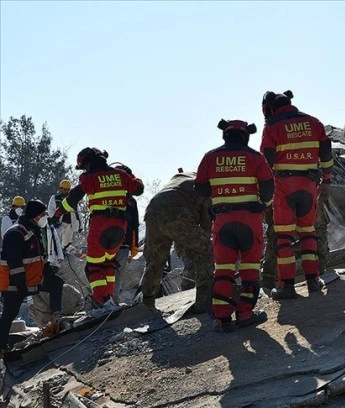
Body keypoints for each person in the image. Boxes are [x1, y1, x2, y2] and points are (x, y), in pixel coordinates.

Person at [195, 119, 273, 331]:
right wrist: (263, 205)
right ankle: (245, 314)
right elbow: (268, 187)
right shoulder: (255, 157)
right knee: (250, 270)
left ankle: (222, 320)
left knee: (223, 271)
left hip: (223, 221)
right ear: (245, 135)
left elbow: (200, 189)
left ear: (225, 135)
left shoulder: (210, 157)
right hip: (250, 220)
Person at [260, 90, 333, 299]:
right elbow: (326, 153)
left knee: (284, 237)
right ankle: (313, 281)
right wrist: (326, 180)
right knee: (308, 233)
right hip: (309, 185)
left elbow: (266, 163)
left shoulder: (272, 127)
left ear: (271, 108)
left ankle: (288, 286)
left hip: (283, 186)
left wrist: (263, 196)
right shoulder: (314, 122)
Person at [52, 147, 144, 307]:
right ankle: (109, 301)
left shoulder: (89, 177)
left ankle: (102, 303)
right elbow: (139, 189)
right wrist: (132, 176)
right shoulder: (121, 175)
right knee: (108, 264)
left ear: (88, 163)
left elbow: (73, 199)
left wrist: (57, 214)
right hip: (119, 227)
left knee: (93, 266)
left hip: (100, 225)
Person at [142, 171, 214, 314]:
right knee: (206, 249)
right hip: (177, 210)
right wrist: (202, 242)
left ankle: (147, 304)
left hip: (153, 210)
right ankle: (204, 300)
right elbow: (206, 224)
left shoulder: (179, 179)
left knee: (155, 260)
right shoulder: (205, 186)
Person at [0, 200, 65, 354]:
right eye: (42, 214)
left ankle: (56, 319)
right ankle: (2, 347)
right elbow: (14, 262)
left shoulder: (34, 231)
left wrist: (49, 272)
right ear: (34, 216)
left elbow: (41, 257)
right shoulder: (15, 233)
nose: (44, 217)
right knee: (9, 314)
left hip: (33, 279)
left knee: (56, 284)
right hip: (14, 282)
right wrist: (20, 285)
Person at [111, 164, 141, 305]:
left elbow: (134, 225)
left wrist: (133, 247)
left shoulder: (131, 202)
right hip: (110, 244)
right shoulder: (128, 201)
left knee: (117, 278)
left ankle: (111, 303)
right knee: (110, 276)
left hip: (121, 245)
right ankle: (108, 302)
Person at [47, 180, 82, 251]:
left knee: (66, 244)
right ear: (61, 189)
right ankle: (54, 254)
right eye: (64, 189)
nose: (66, 191)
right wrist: (54, 218)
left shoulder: (72, 199)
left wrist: (80, 226)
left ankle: (65, 255)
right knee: (55, 242)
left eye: (68, 189)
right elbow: (50, 210)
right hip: (59, 224)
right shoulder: (55, 198)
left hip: (70, 225)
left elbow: (78, 213)